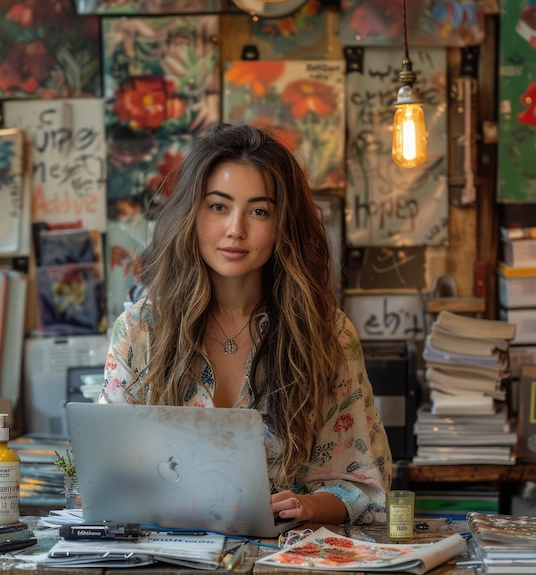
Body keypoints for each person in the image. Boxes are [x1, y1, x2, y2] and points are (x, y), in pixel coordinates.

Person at [100, 123, 392, 526]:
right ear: (192, 213)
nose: (236, 229)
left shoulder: (328, 334)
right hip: (165, 557)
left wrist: (307, 506)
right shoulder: (139, 329)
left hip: (285, 562)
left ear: (283, 224)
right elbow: (109, 474)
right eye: (218, 206)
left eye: (259, 211)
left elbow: (363, 486)